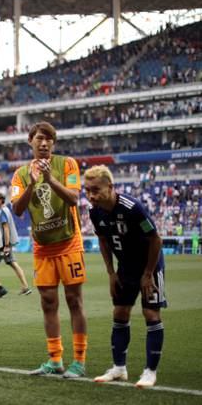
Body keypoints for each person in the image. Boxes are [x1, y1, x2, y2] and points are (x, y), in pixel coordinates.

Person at [10, 121, 87, 378]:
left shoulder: (67, 165)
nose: (44, 143)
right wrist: (32, 184)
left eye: (49, 139)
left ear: (53, 143)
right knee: (48, 303)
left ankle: (79, 360)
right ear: (30, 141)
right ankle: (55, 360)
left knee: (74, 300)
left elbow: (74, 198)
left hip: (69, 243)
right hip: (43, 249)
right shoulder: (20, 174)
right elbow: (17, 210)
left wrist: (50, 179)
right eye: (39, 138)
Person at [85, 165, 166, 388]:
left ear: (110, 187)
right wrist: (111, 272)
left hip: (150, 266)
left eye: (95, 190)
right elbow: (103, 240)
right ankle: (119, 369)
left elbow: (156, 240)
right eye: (87, 190)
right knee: (120, 313)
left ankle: (150, 372)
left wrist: (148, 274)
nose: (91, 195)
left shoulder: (133, 208)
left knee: (151, 313)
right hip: (125, 268)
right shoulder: (95, 211)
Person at [0, 193, 31, 297]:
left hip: (2, 244)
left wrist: (6, 245)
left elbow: (6, 229)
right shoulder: (5, 211)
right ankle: (25, 287)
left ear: (1, 200)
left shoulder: (2, 212)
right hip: (4, 244)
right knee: (4, 265)